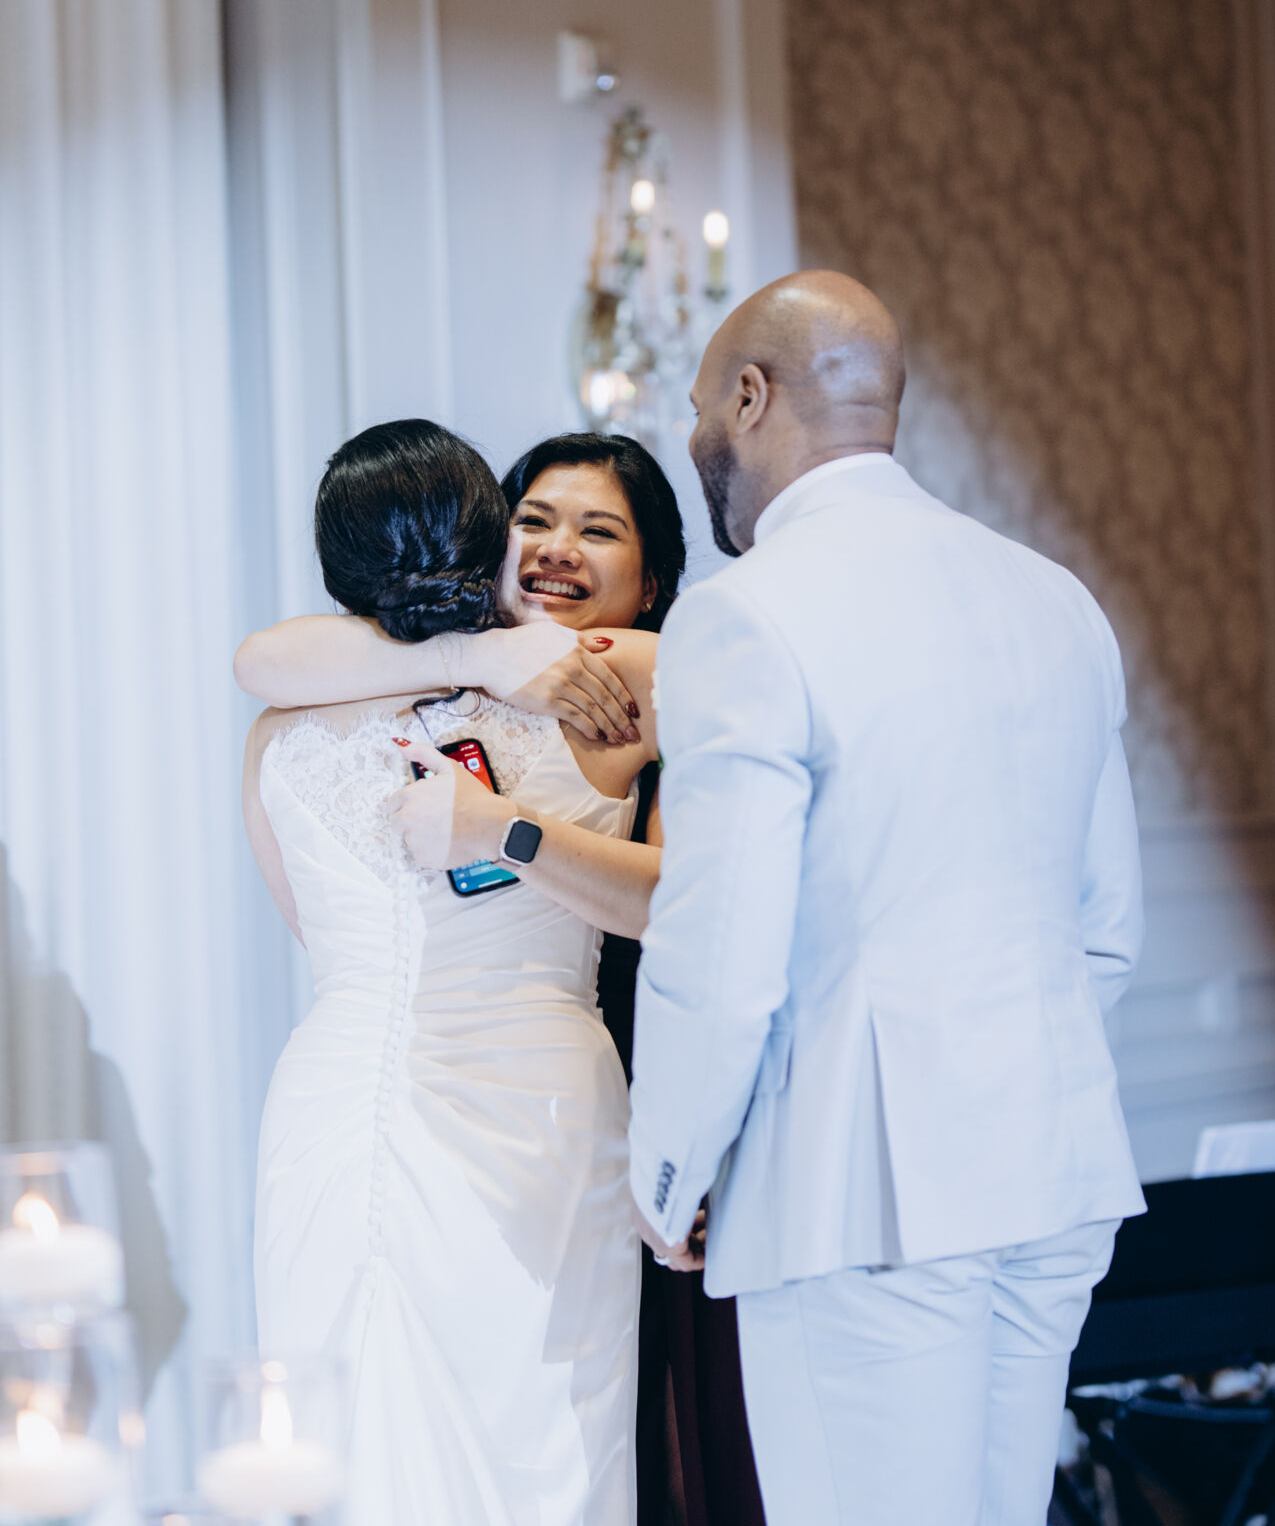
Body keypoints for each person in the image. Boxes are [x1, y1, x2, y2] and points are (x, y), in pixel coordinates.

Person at [628, 271, 1146, 1526]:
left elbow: (722, 955)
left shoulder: (743, 615)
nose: (695, 442)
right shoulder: (1053, 599)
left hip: (858, 1191)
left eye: (698, 410)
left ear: (750, 398)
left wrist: (669, 1173)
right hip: (1050, 1170)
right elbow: (1105, 931)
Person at [237, 430, 767, 1526]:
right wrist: (474, 660)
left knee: (363, 1434)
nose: (556, 547)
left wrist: (500, 815)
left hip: (362, 1095)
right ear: (487, 535)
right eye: (534, 522)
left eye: (596, 530)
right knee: (531, 1441)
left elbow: (307, 913)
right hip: (503, 1093)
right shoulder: (595, 678)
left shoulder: (281, 731)